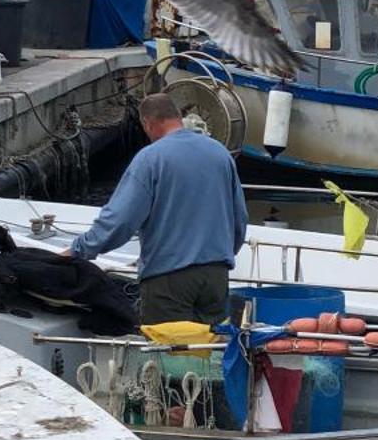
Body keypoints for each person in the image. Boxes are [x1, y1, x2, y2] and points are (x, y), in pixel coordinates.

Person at [70, 92, 247, 326]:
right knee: (209, 352)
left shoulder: (150, 159)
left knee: (166, 354)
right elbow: (239, 219)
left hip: (168, 278)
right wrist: (220, 257)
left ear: (148, 123)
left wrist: (79, 250)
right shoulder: (220, 154)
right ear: (178, 117)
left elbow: (120, 220)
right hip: (215, 276)